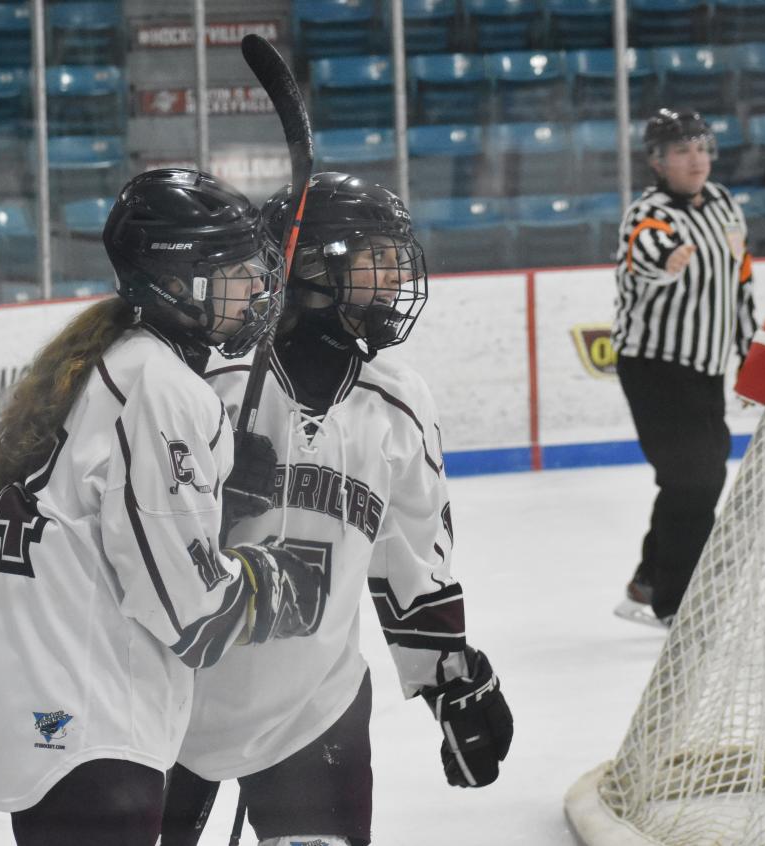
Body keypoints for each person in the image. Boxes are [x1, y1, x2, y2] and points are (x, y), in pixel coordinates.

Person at [0, 168, 327, 846]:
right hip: (92, 737)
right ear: (178, 282)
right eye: (238, 271)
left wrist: (214, 500)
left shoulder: (108, 365)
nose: (260, 288)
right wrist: (273, 582)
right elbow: (191, 614)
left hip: (47, 720)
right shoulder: (156, 387)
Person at [160, 172, 514, 846]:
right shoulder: (209, 385)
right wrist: (212, 508)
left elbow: (411, 557)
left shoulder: (400, 400)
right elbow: (138, 534)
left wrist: (450, 677)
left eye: (394, 259)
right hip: (174, 705)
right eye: (374, 258)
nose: (393, 278)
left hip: (315, 710)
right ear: (314, 265)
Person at [612, 109, 757, 627]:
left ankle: (648, 578)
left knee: (696, 475)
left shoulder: (722, 203)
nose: (696, 158)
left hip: (705, 367)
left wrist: (750, 355)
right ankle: (675, 600)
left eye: (702, 147)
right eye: (681, 150)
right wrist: (669, 258)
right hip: (653, 367)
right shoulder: (648, 212)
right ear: (657, 161)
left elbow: (740, 282)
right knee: (695, 476)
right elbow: (646, 247)